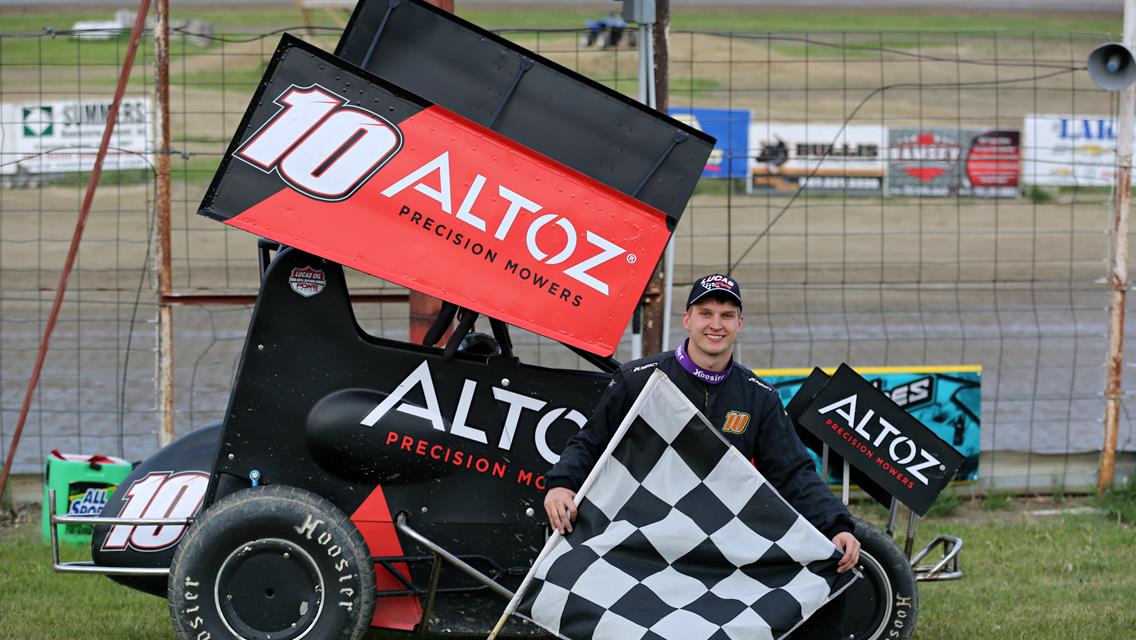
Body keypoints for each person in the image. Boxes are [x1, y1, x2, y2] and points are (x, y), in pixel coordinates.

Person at [542, 273, 859, 640]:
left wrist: (836, 525)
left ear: (740, 323)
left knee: (831, 570)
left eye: (726, 315)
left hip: (722, 542)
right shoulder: (639, 379)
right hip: (639, 533)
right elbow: (589, 443)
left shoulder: (758, 397)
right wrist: (561, 486)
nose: (715, 324)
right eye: (706, 313)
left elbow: (793, 471)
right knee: (569, 571)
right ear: (687, 319)